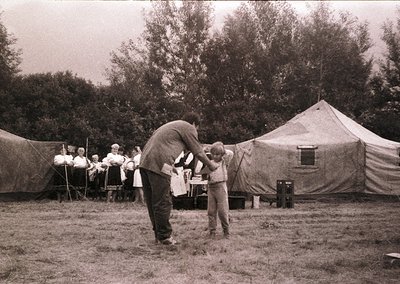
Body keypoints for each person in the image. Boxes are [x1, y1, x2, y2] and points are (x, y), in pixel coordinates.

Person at [140, 112, 219, 245]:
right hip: (159, 163)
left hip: (145, 162)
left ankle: (158, 234)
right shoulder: (188, 127)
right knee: (163, 201)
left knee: (153, 201)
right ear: (195, 124)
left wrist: (171, 167)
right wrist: (211, 165)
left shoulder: (171, 126)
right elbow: (198, 151)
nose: (196, 132)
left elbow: (164, 148)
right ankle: (165, 237)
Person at [207, 141, 234, 239]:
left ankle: (226, 231)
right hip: (211, 188)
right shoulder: (209, 163)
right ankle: (212, 231)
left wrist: (221, 148)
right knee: (211, 211)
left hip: (221, 187)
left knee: (222, 211)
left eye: (217, 154)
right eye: (213, 154)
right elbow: (204, 173)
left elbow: (231, 154)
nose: (215, 156)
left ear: (222, 154)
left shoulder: (224, 162)